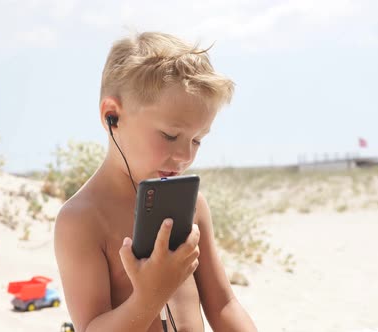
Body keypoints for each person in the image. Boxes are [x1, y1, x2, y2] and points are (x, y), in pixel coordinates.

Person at [54, 31, 257, 332]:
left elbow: (223, 304)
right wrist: (151, 295)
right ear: (112, 116)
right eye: (170, 136)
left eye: (197, 140)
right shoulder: (82, 220)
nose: (185, 155)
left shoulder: (193, 207)